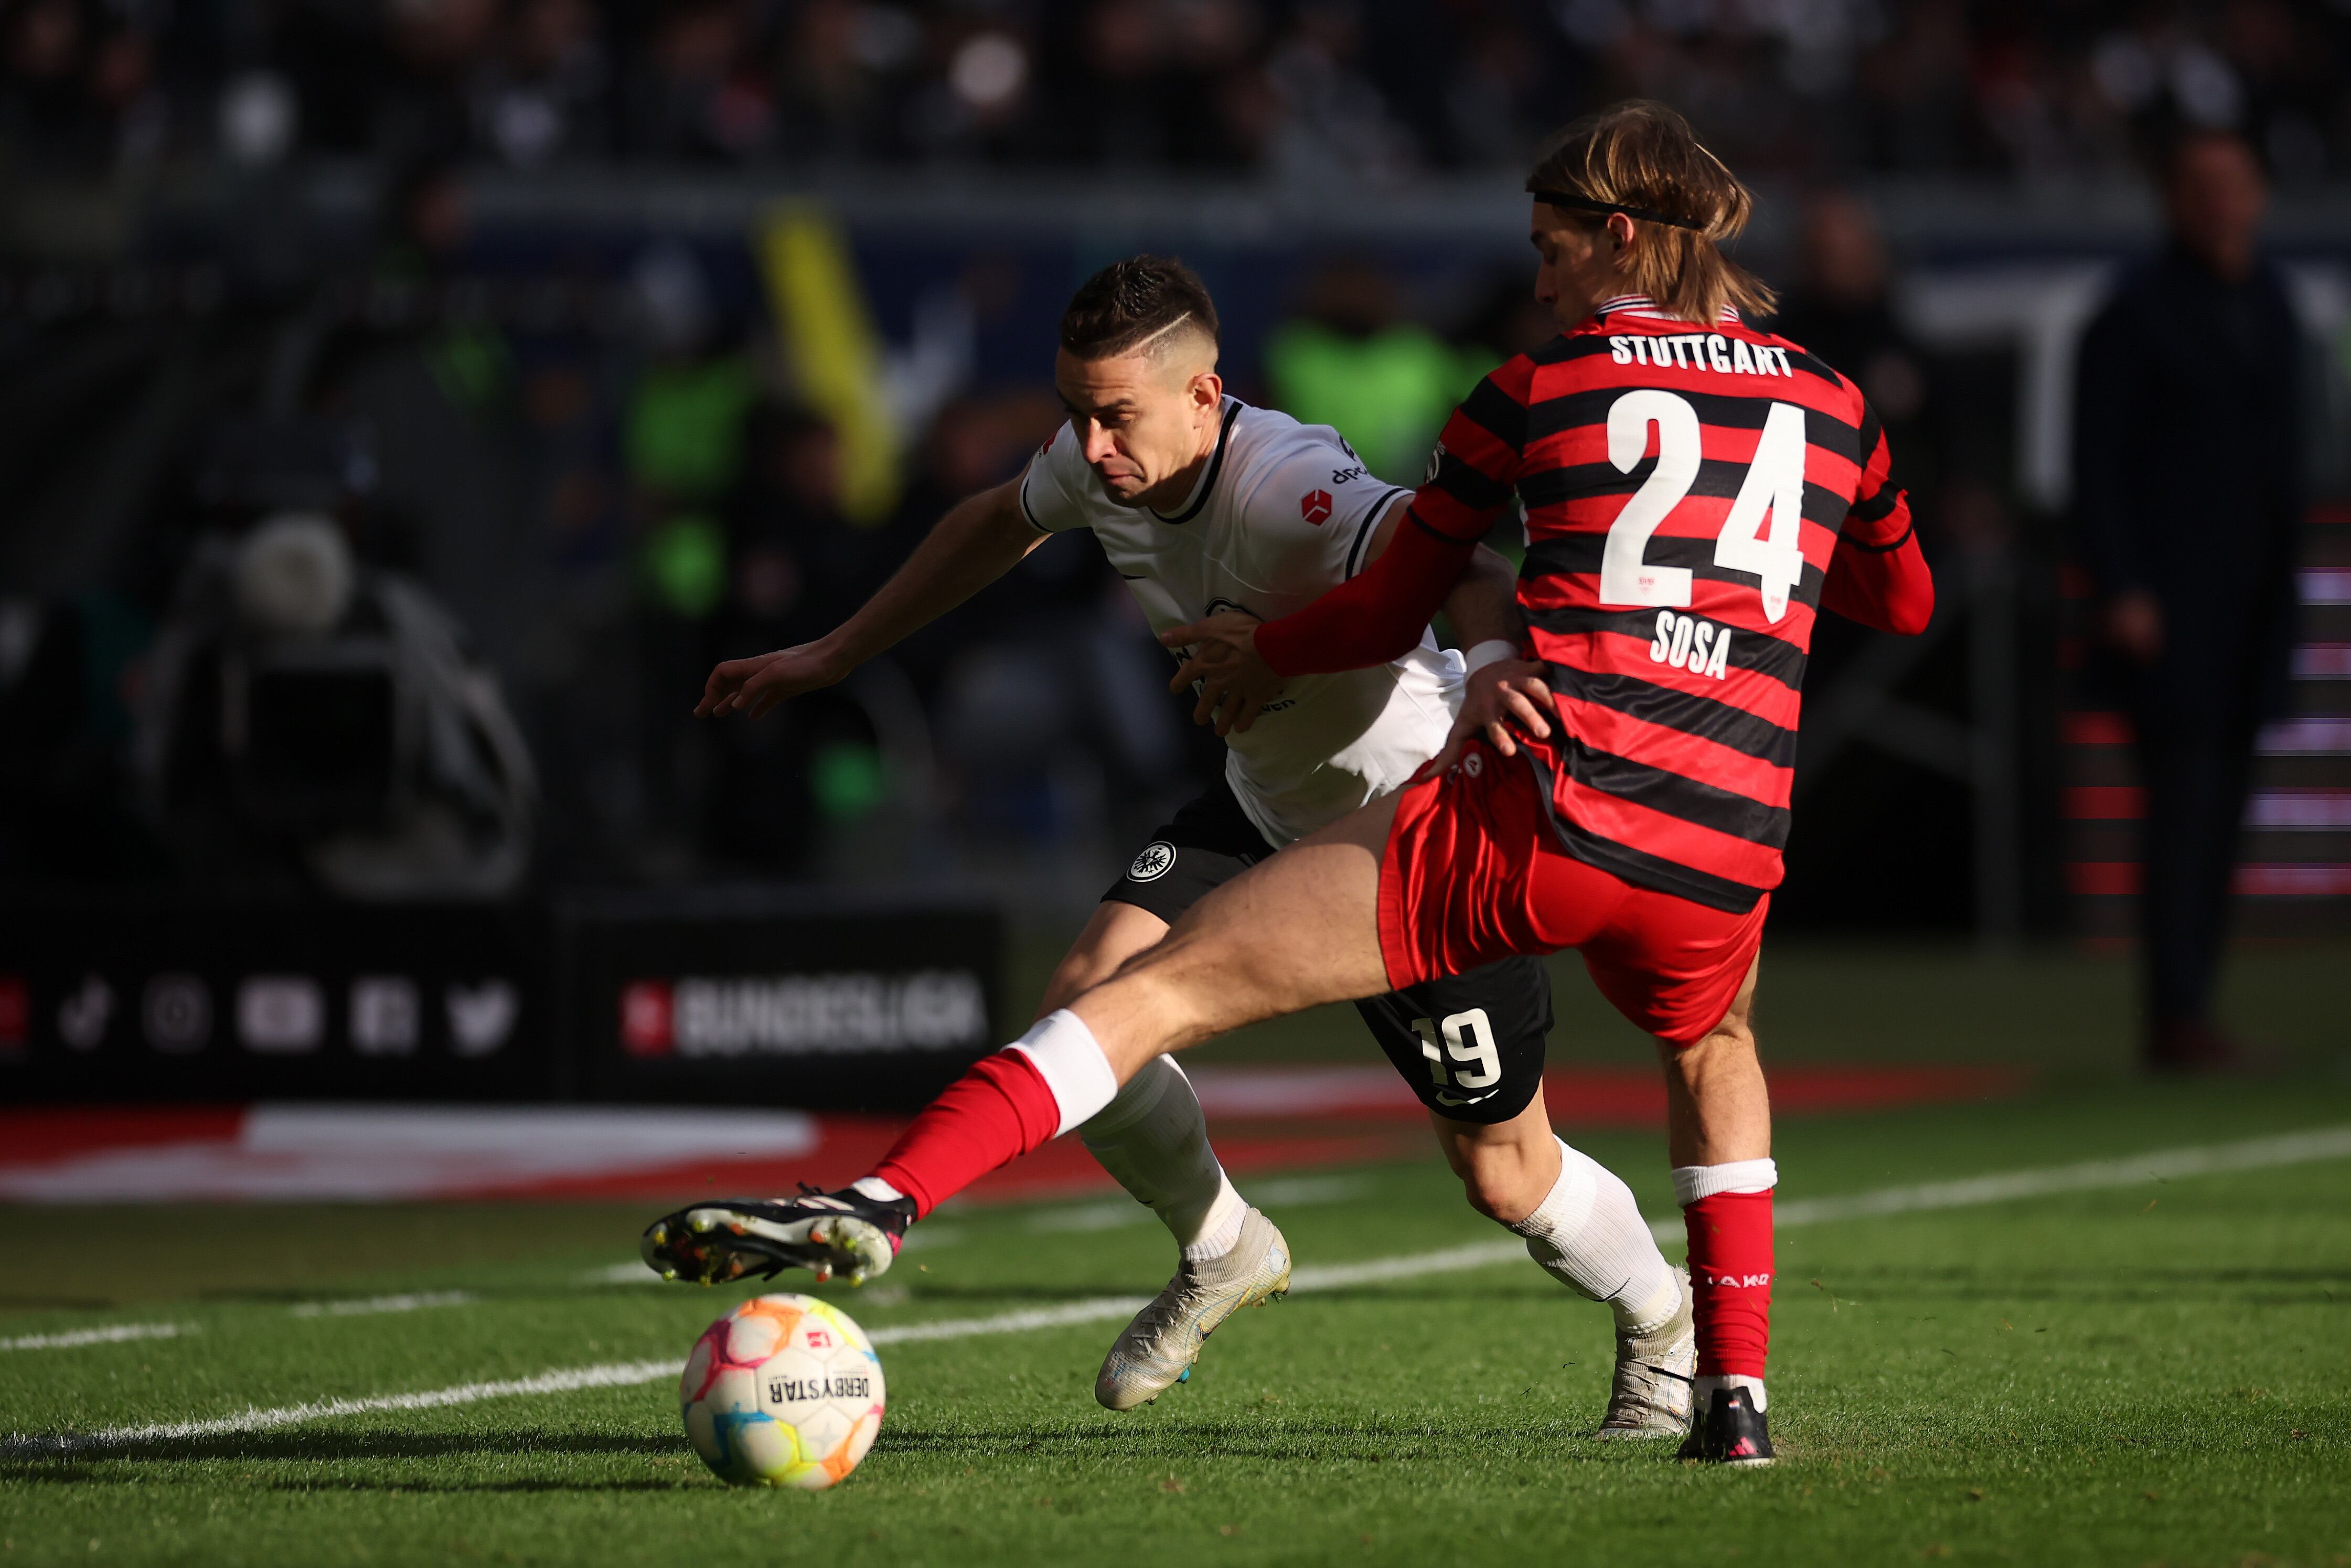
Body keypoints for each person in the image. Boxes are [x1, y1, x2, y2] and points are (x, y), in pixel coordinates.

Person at [648, 102, 1935, 1467]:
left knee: (1501, 1166)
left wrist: (1462, 654)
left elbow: (1415, 591)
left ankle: (1664, 1319)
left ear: (1619, 237)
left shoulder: (1428, 430)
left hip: (1462, 795)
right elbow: (1898, 595)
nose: (1538, 276)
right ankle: (1192, 1242)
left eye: (1552, 248)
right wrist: (835, 650)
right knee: (1109, 989)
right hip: (1692, 823)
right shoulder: (1833, 400)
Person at [2072, 129, 2306, 1073]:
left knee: (2224, 813)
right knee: (2181, 811)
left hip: (2254, 604)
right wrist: (2121, 584)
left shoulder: (2275, 300)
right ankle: (2173, 1015)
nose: (2221, 202)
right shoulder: (2132, 311)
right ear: (2172, 197)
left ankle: (2194, 1006)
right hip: (2169, 609)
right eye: (2202, 185)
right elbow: (2095, 468)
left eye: (2235, 183)